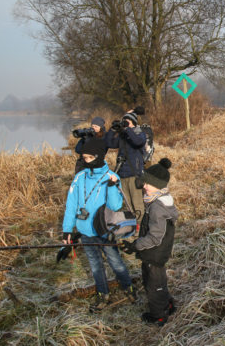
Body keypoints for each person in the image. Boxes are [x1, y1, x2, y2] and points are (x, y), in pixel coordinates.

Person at [62, 138, 136, 312]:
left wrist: (111, 186)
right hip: (85, 230)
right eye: (83, 157)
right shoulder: (79, 177)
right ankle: (103, 294)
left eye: (88, 157)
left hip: (105, 230)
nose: (84, 161)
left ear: (98, 156)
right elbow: (71, 205)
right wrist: (67, 230)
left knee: (115, 261)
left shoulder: (111, 176)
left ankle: (128, 287)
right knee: (95, 265)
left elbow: (116, 206)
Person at [120, 158, 179, 325]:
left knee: (154, 286)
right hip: (153, 252)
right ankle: (167, 304)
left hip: (155, 253)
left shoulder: (157, 208)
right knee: (156, 281)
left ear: (158, 185)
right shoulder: (156, 201)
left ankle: (159, 315)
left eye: (148, 183)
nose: (144, 185)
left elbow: (155, 237)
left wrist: (135, 245)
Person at [106, 110, 147, 223]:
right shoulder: (123, 135)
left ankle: (140, 229)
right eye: (123, 121)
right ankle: (131, 228)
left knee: (137, 203)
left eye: (127, 121)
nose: (124, 123)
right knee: (127, 204)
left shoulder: (138, 131)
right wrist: (112, 129)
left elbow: (139, 141)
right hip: (122, 174)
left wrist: (128, 129)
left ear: (133, 122)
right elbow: (110, 143)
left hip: (134, 174)